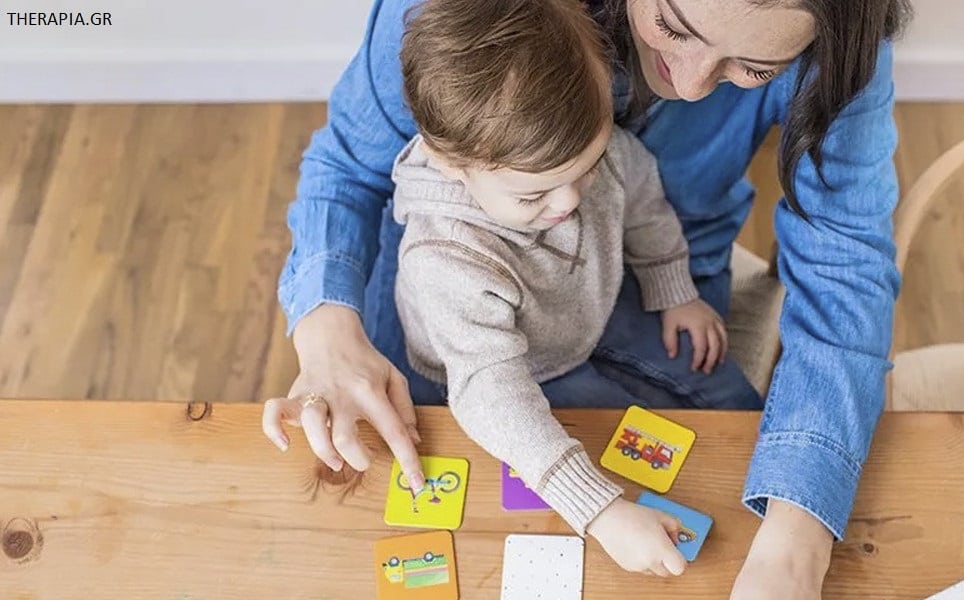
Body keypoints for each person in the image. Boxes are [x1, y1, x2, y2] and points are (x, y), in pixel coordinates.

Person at [264, 0, 912, 596]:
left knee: (722, 468)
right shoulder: (448, 269)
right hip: (463, 340)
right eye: (673, 28)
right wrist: (325, 329)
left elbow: (836, 260)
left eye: (753, 67)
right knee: (431, 505)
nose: (687, 87)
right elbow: (348, 172)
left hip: (648, 290)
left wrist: (798, 541)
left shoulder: (616, 161)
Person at [386, 0, 759, 575]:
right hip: (487, 376)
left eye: (586, 167)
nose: (570, 201)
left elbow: (638, 191)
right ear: (451, 163)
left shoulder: (593, 142)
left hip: (588, 309)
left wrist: (673, 285)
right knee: (541, 463)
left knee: (731, 402)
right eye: (534, 196)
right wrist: (602, 510)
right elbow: (491, 391)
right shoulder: (445, 261)